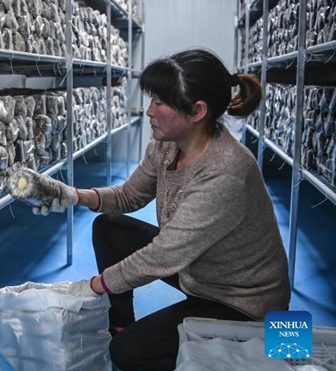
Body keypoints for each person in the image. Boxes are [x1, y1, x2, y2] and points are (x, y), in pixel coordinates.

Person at [17, 48, 291, 371]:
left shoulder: (226, 172)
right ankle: (121, 323)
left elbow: (163, 256)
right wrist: (73, 195)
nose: (149, 111)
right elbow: (129, 195)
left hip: (239, 302)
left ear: (197, 111)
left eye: (160, 102)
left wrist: (93, 286)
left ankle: (252, 342)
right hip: (200, 271)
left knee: (127, 353)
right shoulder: (166, 146)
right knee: (109, 227)